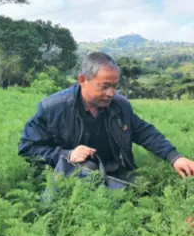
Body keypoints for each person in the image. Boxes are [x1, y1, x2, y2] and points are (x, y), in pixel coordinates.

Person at [18, 52, 194, 185]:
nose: (111, 93)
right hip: (72, 177)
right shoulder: (53, 108)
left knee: (147, 188)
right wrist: (67, 155)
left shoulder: (120, 105)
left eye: (115, 86)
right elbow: (28, 148)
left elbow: (144, 132)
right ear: (82, 80)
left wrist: (174, 157)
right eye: (104, 86)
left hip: (114, 172)